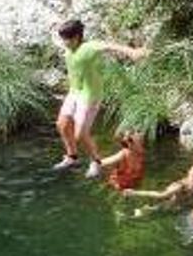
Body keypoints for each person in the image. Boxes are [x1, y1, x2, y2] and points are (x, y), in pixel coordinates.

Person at [53, 19, 146, 178]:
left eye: (66, 39)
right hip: (74, 92)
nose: (64, 42)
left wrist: (132, 52)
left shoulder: (89, 47)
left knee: (81, 134)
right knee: (62, 124)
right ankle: (72, 157)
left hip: (90, 96)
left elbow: (109, 45)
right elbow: (58, 38)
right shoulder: (68, 46)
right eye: (62, 39)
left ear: (76, 37)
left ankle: (96, 162)